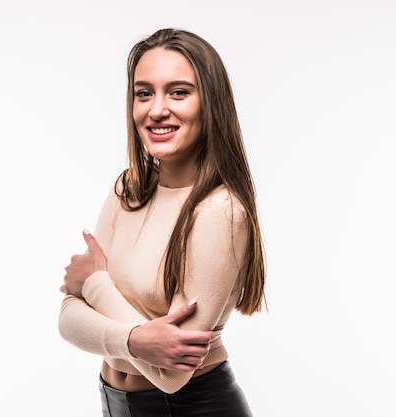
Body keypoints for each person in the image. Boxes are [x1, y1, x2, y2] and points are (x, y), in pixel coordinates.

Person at [58, 27, 266, 417]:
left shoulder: (219, 211)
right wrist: (139, 339)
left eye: (179, 92)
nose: (156, 109)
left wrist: (95, 284)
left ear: (211, 103)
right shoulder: (129, 189)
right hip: (115, 405)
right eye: (144, 93)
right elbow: (68, 319)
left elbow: (171, 374)